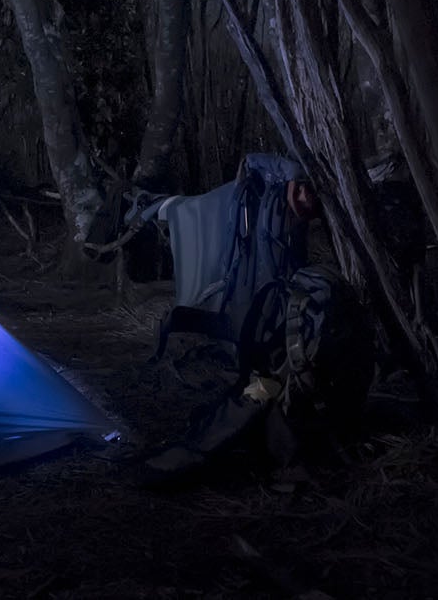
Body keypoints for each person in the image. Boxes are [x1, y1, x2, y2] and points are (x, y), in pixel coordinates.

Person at [141, 175, 371, 488]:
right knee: (261, 393)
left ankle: (200, 452)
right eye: (300, 191)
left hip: (299, 380)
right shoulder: (294, 279)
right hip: (311, 384)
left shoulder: (302, 298)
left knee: (261, 394)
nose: (304, 199)